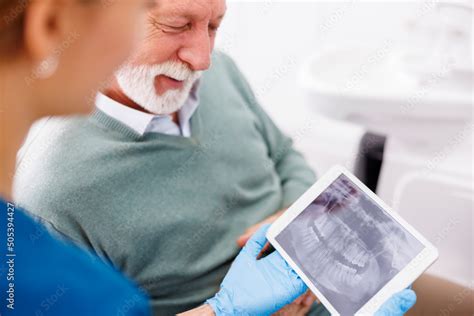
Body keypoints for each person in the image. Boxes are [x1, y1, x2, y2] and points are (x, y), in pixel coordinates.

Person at [2, 0, 416, 315]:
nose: (201, 57)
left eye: (214, 26)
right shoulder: (52, 192)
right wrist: (229, 307)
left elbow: (286, 155)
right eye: (177, 25)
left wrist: (297, 224)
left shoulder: (220, 72)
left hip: (330, 284)